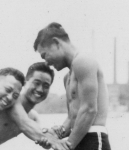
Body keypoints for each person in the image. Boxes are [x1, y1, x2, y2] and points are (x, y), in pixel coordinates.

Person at [33, 22, 111, 150]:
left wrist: (67, 146)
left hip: (93, 139)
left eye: (45, 55)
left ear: (56, 42)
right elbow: (72, 118)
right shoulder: (68, 77)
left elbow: (89, 110)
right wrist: (54, 135)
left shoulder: (83, 61)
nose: (46, 63)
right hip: (78, 139)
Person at [0, 62, 66, 150]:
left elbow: (39, 135)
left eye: (46, 86)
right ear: (25, 83)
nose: (40, 89)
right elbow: (25, 123)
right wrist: (54, 141)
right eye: (36, 83)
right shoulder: (11, 102)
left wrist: (54, 134)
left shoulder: (33, 117)